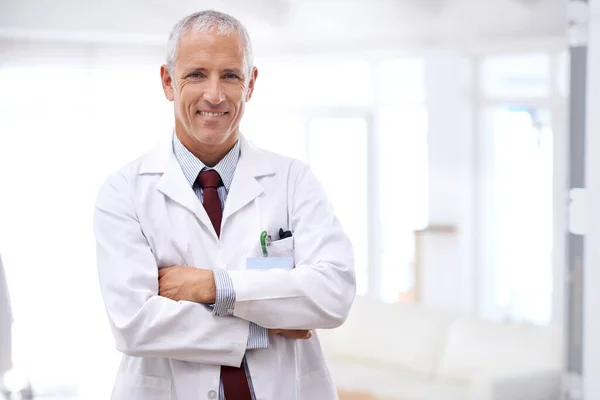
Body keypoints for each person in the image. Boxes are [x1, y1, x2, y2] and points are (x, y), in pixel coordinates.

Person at [93, 9, 355, 400]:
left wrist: (213, 286)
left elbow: (333, 294)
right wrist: (265, 323)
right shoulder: (124, 192)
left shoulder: (294, 180)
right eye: (196, 74)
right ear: (168, 82)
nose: (213, 95)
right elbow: (135, 323)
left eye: (230, 76)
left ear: (250, 84)